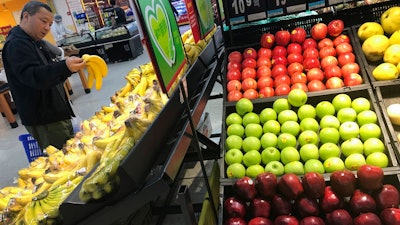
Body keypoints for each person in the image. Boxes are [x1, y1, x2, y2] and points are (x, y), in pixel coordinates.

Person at [2, 1, 86, 151]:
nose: (47, 27)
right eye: (44, 21)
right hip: (45, 119)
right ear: (26, 16)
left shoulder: (34, 41)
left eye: (50, 23)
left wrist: (64, 66)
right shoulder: (17, 45)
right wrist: (64, 67)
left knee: (72, 153)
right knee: (63, 159)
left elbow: (48, 71)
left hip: (55, 112)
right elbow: (35, 76)